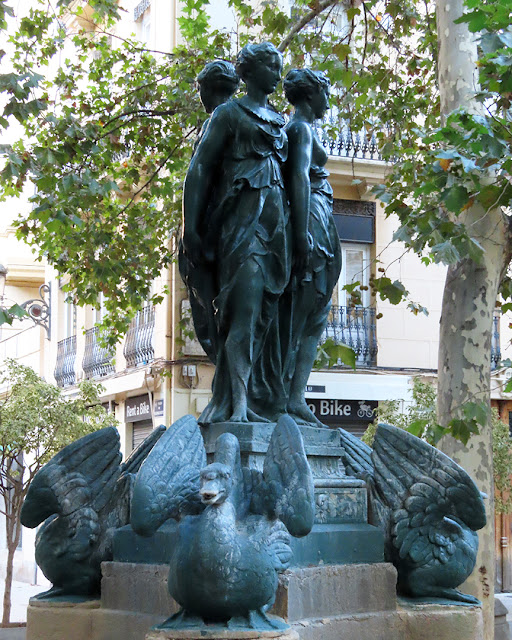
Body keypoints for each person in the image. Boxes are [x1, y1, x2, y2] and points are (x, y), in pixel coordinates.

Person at [181, 43, 292, 424]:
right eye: (271, 65)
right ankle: (238, 404)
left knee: (264, 315)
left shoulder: (278, 120)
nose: (278, 73)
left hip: (276, 229)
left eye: (280, 66)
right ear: (250, 71)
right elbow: (200, 169)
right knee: (242, 309)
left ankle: (251, 399)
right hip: (241, 226)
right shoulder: (228, 114)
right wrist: (190, 227)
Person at [282, 68, 342, 426]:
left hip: (317, 218)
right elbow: (299, 179)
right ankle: (291, 398)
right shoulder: (300, 129)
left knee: (313, 316)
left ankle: (294, 397)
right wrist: (302, 232)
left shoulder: (302, 128)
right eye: (325, 93)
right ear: (310, 95)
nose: (329, 102)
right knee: (307, 315)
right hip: (312, 221)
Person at [179, 61, 239, 363]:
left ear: (208, 88)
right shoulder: (236, 118)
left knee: (207, 300)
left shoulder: (221, 117)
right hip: (224, 220)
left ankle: (226, 373)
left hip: (214, 225)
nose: (198, 94)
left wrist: (190, 228)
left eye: (199, 88)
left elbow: (197, 172)